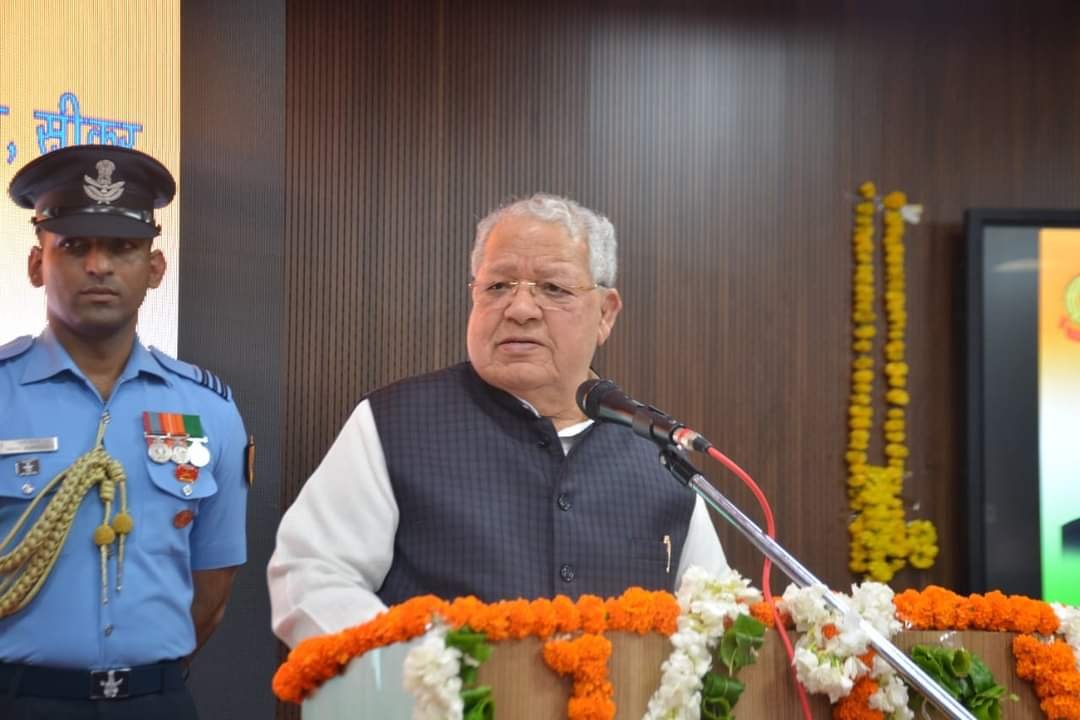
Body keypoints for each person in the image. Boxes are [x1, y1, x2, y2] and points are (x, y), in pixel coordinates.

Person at [268, 193, 726, 648]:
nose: (520, 309)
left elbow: (716, 618)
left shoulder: (658, 453)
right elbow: (312, 577)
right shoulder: (394, 424)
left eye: (553, 288)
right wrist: (426, 669)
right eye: (498, 286)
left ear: (605, 313)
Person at [0, 145, 248, 719]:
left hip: (154, 703)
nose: (99, 266)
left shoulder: (208, 409)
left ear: (155, 268)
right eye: (74, 246)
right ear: (36, 264)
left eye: (122, 247)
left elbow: (212, 588)